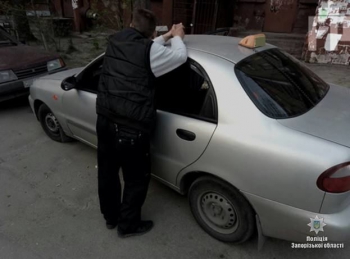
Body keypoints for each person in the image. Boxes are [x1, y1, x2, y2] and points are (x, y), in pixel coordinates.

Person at [96, 8, 187, 238]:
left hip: (105, 121)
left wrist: (164, 38)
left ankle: (111, 218)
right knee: (136, 180)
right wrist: (176, 37)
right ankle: (128, 226)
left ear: (130, 24)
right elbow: (179, 56)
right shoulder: (149, 50)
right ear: (152, 32)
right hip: (130, 129)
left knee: (107, 174)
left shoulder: (116, 41)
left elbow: (145, 47)